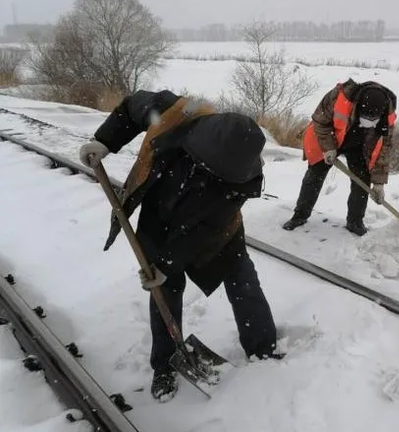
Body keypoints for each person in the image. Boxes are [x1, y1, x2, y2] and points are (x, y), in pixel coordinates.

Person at [79, 90, 279, 402]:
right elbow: (132, 107)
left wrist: (167, 263)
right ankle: (165, 365)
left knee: (242, 280)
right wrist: (105, 141)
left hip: (217, 234)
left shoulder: (243, 178)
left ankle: (263, 347)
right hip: (159, 222)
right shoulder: (174, 114)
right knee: (165, 292)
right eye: (209, 168)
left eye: (219, 175)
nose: (212, 175)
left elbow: (208, 228)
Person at [283, 78, 397, 236]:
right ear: (358, 106)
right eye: (365, 118)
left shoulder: (387, 116)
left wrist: (378, 183)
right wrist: (329, 148)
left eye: (373, 120)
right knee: (314, 176)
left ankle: (355, 222)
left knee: (362, 182)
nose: (368, 123)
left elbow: (384, 149)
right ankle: (300, 216)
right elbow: (320, 121)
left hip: (359, 146)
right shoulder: (339, 96)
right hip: (330, 138)